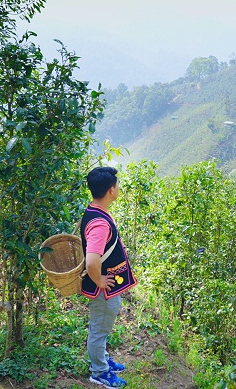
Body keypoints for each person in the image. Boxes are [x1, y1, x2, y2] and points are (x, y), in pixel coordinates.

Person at [81, 166, 136, 388]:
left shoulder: (97, 210)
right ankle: (100, 372)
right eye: (118, 184)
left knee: (102, 327)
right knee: (99, 329)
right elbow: (92, 261)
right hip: (103, 289)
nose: (119, 187)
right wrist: (99, 281)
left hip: (107, 287)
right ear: (111, 190)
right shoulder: (100, 223)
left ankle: (102, 360)